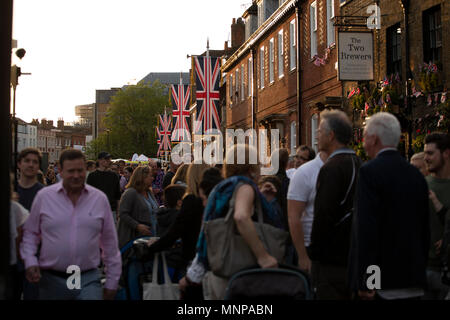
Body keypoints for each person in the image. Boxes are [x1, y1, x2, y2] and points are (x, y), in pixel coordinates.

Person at [180, 144, 284, 300]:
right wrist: (263, 256)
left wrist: (260, 198)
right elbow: (241, 217)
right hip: (241, 275)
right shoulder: (245, 187)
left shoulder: (222, 188)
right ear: (251, 167)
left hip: (220, 272)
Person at [20, 149, 121, 300]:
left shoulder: (99, 199)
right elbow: (30, 234)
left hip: (87, 278)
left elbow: (110, 244)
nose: (76, 176)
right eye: (70, 171)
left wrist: (112, 280)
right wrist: (30, 260)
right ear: (60, 170)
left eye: (80, 170)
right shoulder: (44, 197)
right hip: (52, 279)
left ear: (86, 170)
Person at [348, 112, 430, 301]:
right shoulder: (416, 175)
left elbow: (367, 230)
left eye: (365, 136)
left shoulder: (370, 173)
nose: (362, 142)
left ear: (374, 139)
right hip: (412, 278)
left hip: (384, 282)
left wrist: (368, 281)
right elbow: (424, 229)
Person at [309, 110, 361, 300]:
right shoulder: (359, 163)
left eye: (320, 130)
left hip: (332, 261)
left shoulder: (331, 168)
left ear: (331, 136)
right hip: (356, 258)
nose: (317, 135)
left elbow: (323, 214)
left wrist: (314, 252)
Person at [287, 149, 328, 271]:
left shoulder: (315, 173)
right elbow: (294, 215)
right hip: (302, 242)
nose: (297, 160)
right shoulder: (293, 174)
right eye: (296, 157)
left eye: (302, 158)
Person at [15, 148, 45, 300]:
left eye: (35, 162)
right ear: (19, 164)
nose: (31, 165)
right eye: (27, 161)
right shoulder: (10, 191)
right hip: (12, 254)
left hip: (35, 255)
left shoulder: (44, 194)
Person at [423, 132, 450, 299]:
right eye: (425, 153)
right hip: (424, 267)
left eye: (430, 153)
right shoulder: (421, 184)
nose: (426, 158)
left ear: (446, 153)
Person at [117, 166, 159, 248]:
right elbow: (122, 214)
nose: (152, 178)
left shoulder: (149, 192)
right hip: (134, 239)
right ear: (142, 177)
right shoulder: (130, 193)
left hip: (150, 237)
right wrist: (137, 226)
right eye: (150, 176)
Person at [87, 152, 121, 224]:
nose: (109, 160)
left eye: (109, 159)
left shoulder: (114, 175)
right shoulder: (92, 176)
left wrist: (118, 211)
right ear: (99, 160)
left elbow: (118, 195)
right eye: (106, 159)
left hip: (111, 210)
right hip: (96, 210)